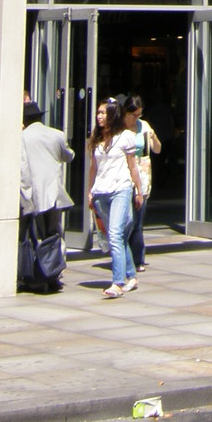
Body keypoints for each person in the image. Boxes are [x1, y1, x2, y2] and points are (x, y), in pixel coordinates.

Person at [88, 97, 145, 299]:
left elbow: (132, 166)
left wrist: (139, 190)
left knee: (114, 233)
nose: (99, 116)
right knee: (118, 237)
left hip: (120, 189)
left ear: (112, 115)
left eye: (103, 113)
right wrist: (90, 191)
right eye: (98, 113)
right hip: (101, 192)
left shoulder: (125, 137)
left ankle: (117, 282)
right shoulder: (96, 138)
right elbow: (93, 167)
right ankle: (131, 276)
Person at [20, 100, 73, 290]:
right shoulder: (56, 135)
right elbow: (69, 156)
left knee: (34, 237)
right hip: (53, 193)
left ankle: (39, 275)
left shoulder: (23, 137)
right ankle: (53, 274)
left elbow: (23, 168)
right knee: (53, 234)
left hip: (33, 194)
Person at [122, 95, 161, 273]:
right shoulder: (120, 128)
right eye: (133, 115)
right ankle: (124, 256)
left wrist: (153, 137)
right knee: (125, 219)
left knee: (138, 219)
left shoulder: (144, 126)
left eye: (139, 114)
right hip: (124, 174)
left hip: (142, 174)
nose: (136, 118)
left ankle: (138, 259)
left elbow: (157, 149)